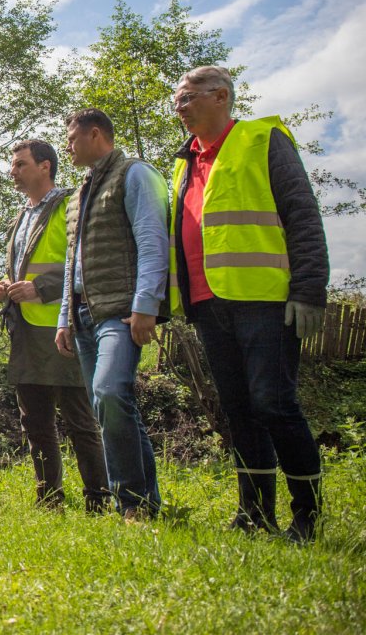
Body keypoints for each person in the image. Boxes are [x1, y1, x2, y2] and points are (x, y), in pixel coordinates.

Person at [169, 66, 329, 543]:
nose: (179, 107)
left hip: (263, 299)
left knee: (273, 404)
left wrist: (308, 289)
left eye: (187, 97)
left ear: (220, 96)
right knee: (238, 409)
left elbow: (302, 213)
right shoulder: (184, 163)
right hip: (206, 301)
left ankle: (308, 516)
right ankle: (254, 513)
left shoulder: (263, 139)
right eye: (176, 100)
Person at [55, 108, 170, 522]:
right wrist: (65, 318)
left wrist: (146, 305)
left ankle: (131, 503)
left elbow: (153, 240)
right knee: (113, 405)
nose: (66, 145)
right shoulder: (79, 193)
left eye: (71, 138)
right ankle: (145, 501)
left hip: (120, 313)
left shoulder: (135, 174)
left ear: (96, 134)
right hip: (84, 315)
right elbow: (74, 261)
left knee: (109, 394)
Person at [0, 140, 107, 511]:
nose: (13, 171)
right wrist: (6, 286)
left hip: (63, 329)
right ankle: (49, 498)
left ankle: (98, 498)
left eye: (20, 164)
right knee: (35, 422)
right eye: (13, 165)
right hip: (25, 332)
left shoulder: (69, 206)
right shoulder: (20, 218)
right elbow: (24, 268)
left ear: (45, 166)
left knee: (79, 419)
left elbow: (84, 262)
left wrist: (40, 287)